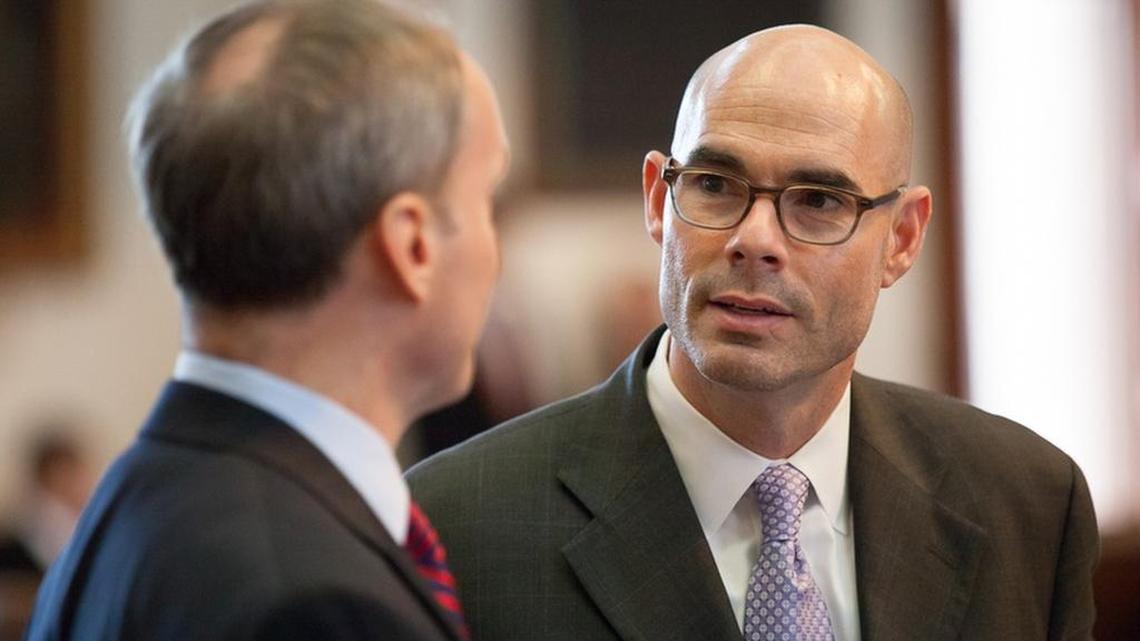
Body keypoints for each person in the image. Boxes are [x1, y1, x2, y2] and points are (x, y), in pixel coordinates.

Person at [407, 24, 1098, 641]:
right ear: (658, 199)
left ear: (903, 238)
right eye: (714, 183)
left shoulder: (1027, 504)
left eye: (820, 200)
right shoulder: (457, 525)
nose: (754, 239)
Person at [27, 0, 509, 639]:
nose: (495, 248)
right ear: (412, 245)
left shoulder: (129, 500)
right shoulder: (316, 604)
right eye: (485, 200)